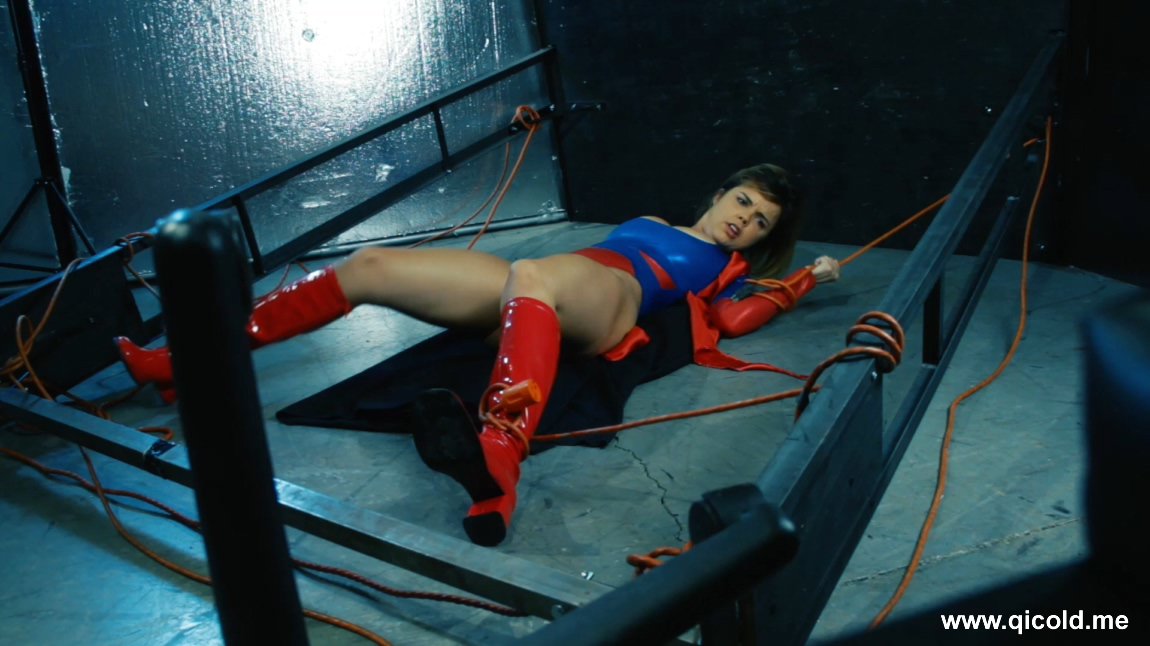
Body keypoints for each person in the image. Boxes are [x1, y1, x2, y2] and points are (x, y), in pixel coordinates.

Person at [114, 162, 841, 546]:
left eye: (759, 222)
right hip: (548, 279)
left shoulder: (728, 270)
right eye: (743, 202)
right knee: (371, 266)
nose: (743, 220)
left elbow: (734, 320)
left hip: (614, 298)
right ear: (721, 193)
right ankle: (188, 364)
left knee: (534, 276)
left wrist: (806, 280)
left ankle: (501, 455)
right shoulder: (650, 218)